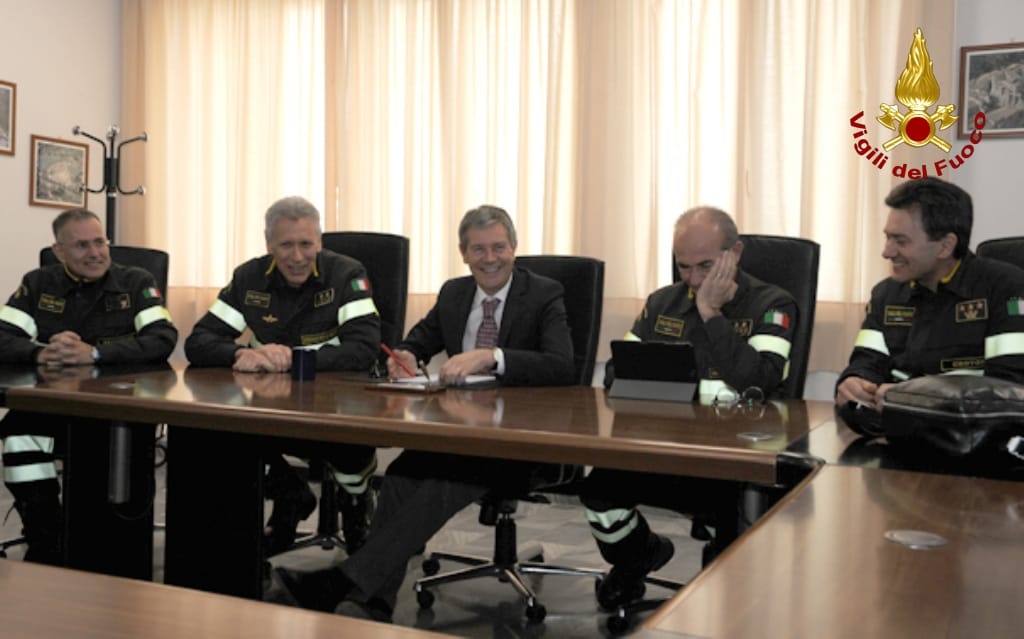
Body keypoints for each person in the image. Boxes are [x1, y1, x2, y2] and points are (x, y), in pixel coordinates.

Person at [276, 204, 575, 621]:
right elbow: (421, 338)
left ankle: (342, 582)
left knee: (449, 478)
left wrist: (493, 356)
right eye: (478, 250)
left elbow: (563, 365)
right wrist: (407, 353)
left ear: (514, 248)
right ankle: (375, 599)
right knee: (400, 475)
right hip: (462, 431)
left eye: (499, 248)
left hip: (519, 441)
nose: (490, 258)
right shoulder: (455, 292)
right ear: (463, 253)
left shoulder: (544, 293)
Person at [582, 206, 797, 610]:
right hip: (664, 446)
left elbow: (759, 380)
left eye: (706, 266)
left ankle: (726, 589)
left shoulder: (774, 304)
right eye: (684, 268)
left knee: (733, 576)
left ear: (736, 251)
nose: (695, 280)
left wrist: (711, 314)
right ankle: (637, 557)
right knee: (599, 492)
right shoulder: (663, 302)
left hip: (733, 460)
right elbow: (616, 371)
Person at [184, 196, 382, 555]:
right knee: (220, 434)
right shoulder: (249, 277)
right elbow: (199, 341)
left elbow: (363, 349)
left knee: (349, 447)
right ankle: (288, 493)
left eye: (306, 244)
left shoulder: (347, 275)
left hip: (337, 402)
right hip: (272, 403)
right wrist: (241, 352)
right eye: (285, 245)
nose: (296, 256)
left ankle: (356, 506)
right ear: (269, 244)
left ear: (320, 242)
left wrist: (293, 358)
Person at [0, 208, 178, 564]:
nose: (95, 252)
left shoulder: (136, 281)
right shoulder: (37, 283)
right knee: (19, 439)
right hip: (53, 404)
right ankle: (46, 535)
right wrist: (40, 353)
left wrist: (96, 354)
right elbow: (2, 336)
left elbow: (162, 338)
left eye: (100, 242)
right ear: (59, 251)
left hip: (119, 409)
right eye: (81, 245)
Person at [836, 177, 1024, 410]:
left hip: (980, 438)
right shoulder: (886, 294)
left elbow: (1011, 388)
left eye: (900, 241)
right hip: (895, 431)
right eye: (887, 237)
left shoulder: (1007, 289)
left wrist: (917, 396)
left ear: (945, 246)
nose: (887, 252)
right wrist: (853, 382)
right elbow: (867, 361)